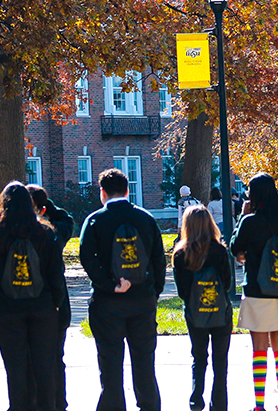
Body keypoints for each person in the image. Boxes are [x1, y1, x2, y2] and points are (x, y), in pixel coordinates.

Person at [79, 167, 166, 411]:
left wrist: (108, 285)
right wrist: (153, 291)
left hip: (108, 303)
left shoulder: (95, 220)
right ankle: (149, 406)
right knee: (144, 363)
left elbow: (86, 258)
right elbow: (159, 259)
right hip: (143, 300)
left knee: (110, 364)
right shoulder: (146, 219)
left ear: (102, 193)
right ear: (128, 191)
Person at [0, 182, 67, 411]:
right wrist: (56, 303)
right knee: (44, 368)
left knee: (15, 370)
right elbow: (56, 272)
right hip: (43, 307)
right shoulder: (45, 232)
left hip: (8, 308)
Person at [229, 173, 278, 411]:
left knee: (259, 350)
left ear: (254, 195)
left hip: (257, 289)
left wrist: (243, 216)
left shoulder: (250, 221)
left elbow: (235, 246)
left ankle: (259, 405)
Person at [173, 204, 233, 411]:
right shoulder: (219, 250)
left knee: (199, 358)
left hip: (195, 313)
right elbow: (227, 283)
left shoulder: (181, 254)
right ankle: (219, 405)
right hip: (220, 312)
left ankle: (196, 401)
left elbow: (182, 291)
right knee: (220, 362)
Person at [29, 184, 75, 411]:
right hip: (53, 300)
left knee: (28, 359)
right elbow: (67, 219)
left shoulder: (13, 229)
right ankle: (58, 402)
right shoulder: (54, 230)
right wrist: (47, 205)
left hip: (24, 300)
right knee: (55, 357)